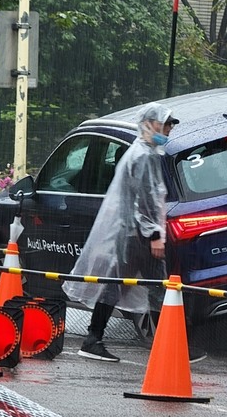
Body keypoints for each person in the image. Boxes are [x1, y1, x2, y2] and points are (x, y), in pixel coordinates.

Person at [62, 102, 179, 362]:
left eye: (171, 124)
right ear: (149, 124)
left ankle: (93, 339)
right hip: (137, 235)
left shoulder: (142, 152)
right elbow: (146, 199)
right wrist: (155, 235)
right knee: (159, 287)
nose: (170, 128)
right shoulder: (144, 156)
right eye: (166, 123)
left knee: (117, 286)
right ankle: (169, 347)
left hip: (130, 234)